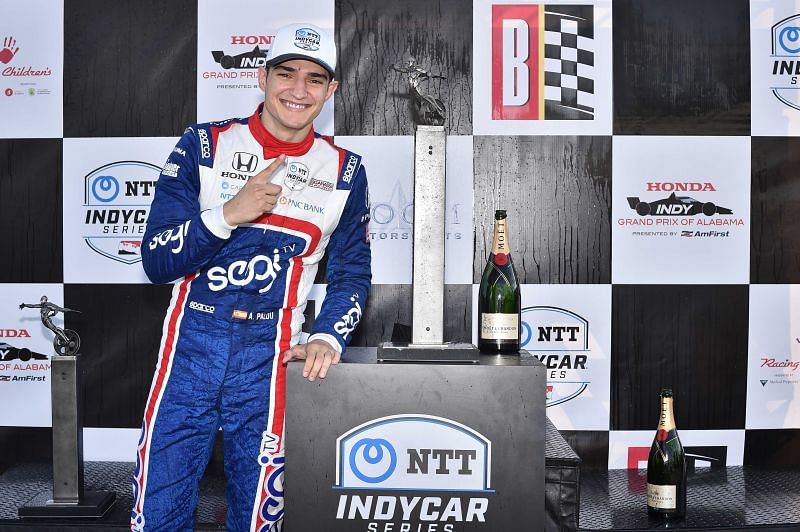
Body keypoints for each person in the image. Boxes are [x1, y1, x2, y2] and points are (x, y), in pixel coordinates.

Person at [130, 22, 371, 532]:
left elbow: (351, 271)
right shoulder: (204, 144)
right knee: (158, 510)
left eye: (313, 79)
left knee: (261, 513)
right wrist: (227, 214)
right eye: (286, 74)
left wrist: (328, 333)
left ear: (332, 91)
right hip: (192, 342)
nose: (297, 90)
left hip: (272, 350)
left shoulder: (345, 170)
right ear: (262, 78)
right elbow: (155, 260)